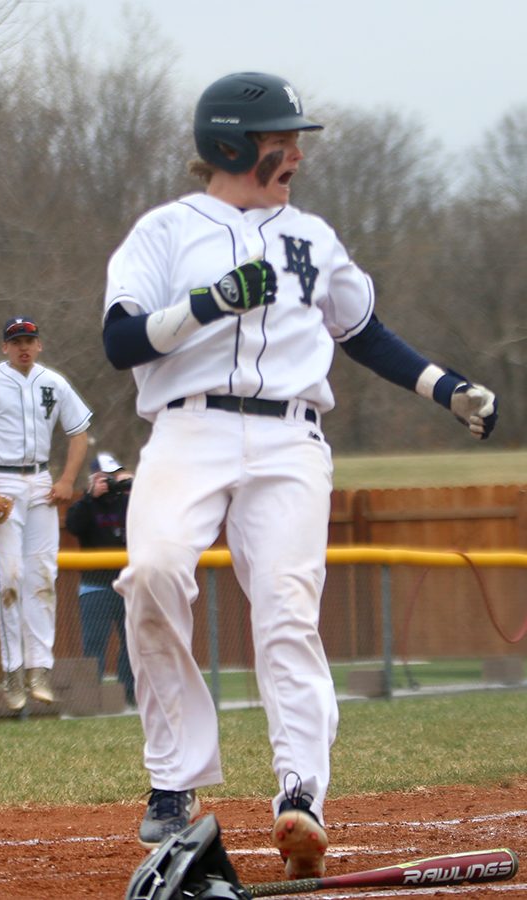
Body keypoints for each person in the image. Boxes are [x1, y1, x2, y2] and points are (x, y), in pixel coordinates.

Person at [102, 72, 498, 876]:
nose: (295, 154)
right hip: (188, 428)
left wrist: (444, 386)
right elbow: (121, 340)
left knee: (287, 608)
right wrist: (206, 304)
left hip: (290, 437)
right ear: (230, 145)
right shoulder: (166, 230)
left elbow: (363, 330)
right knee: (151, 573)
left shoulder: (311, 237)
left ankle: (301, 797)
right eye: (280, 140)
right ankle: (173, 780)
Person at [0, 316, 92, 711]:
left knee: (43, 575)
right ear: (4, 348)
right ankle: (13, 671)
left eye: (29, 339)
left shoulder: (53, 382)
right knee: (10, 576)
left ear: (39, 345)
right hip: (2, 484)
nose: (23, 346)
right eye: (16, 341)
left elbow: (79, 433)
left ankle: (40, 669)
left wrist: (67, 480)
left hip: (41, 483)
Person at [65, 452, 136, 706]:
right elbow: (73, 525)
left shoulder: (129, 503)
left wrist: (135, 489)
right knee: (94, 645)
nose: (111, 483)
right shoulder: (85, 505)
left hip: (127, 586)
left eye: (115, 477)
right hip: (95, 586)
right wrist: (89, 497)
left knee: (132, 645)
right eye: (106, 478)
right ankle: (91, 699)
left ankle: (128, 696)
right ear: (93, 479)